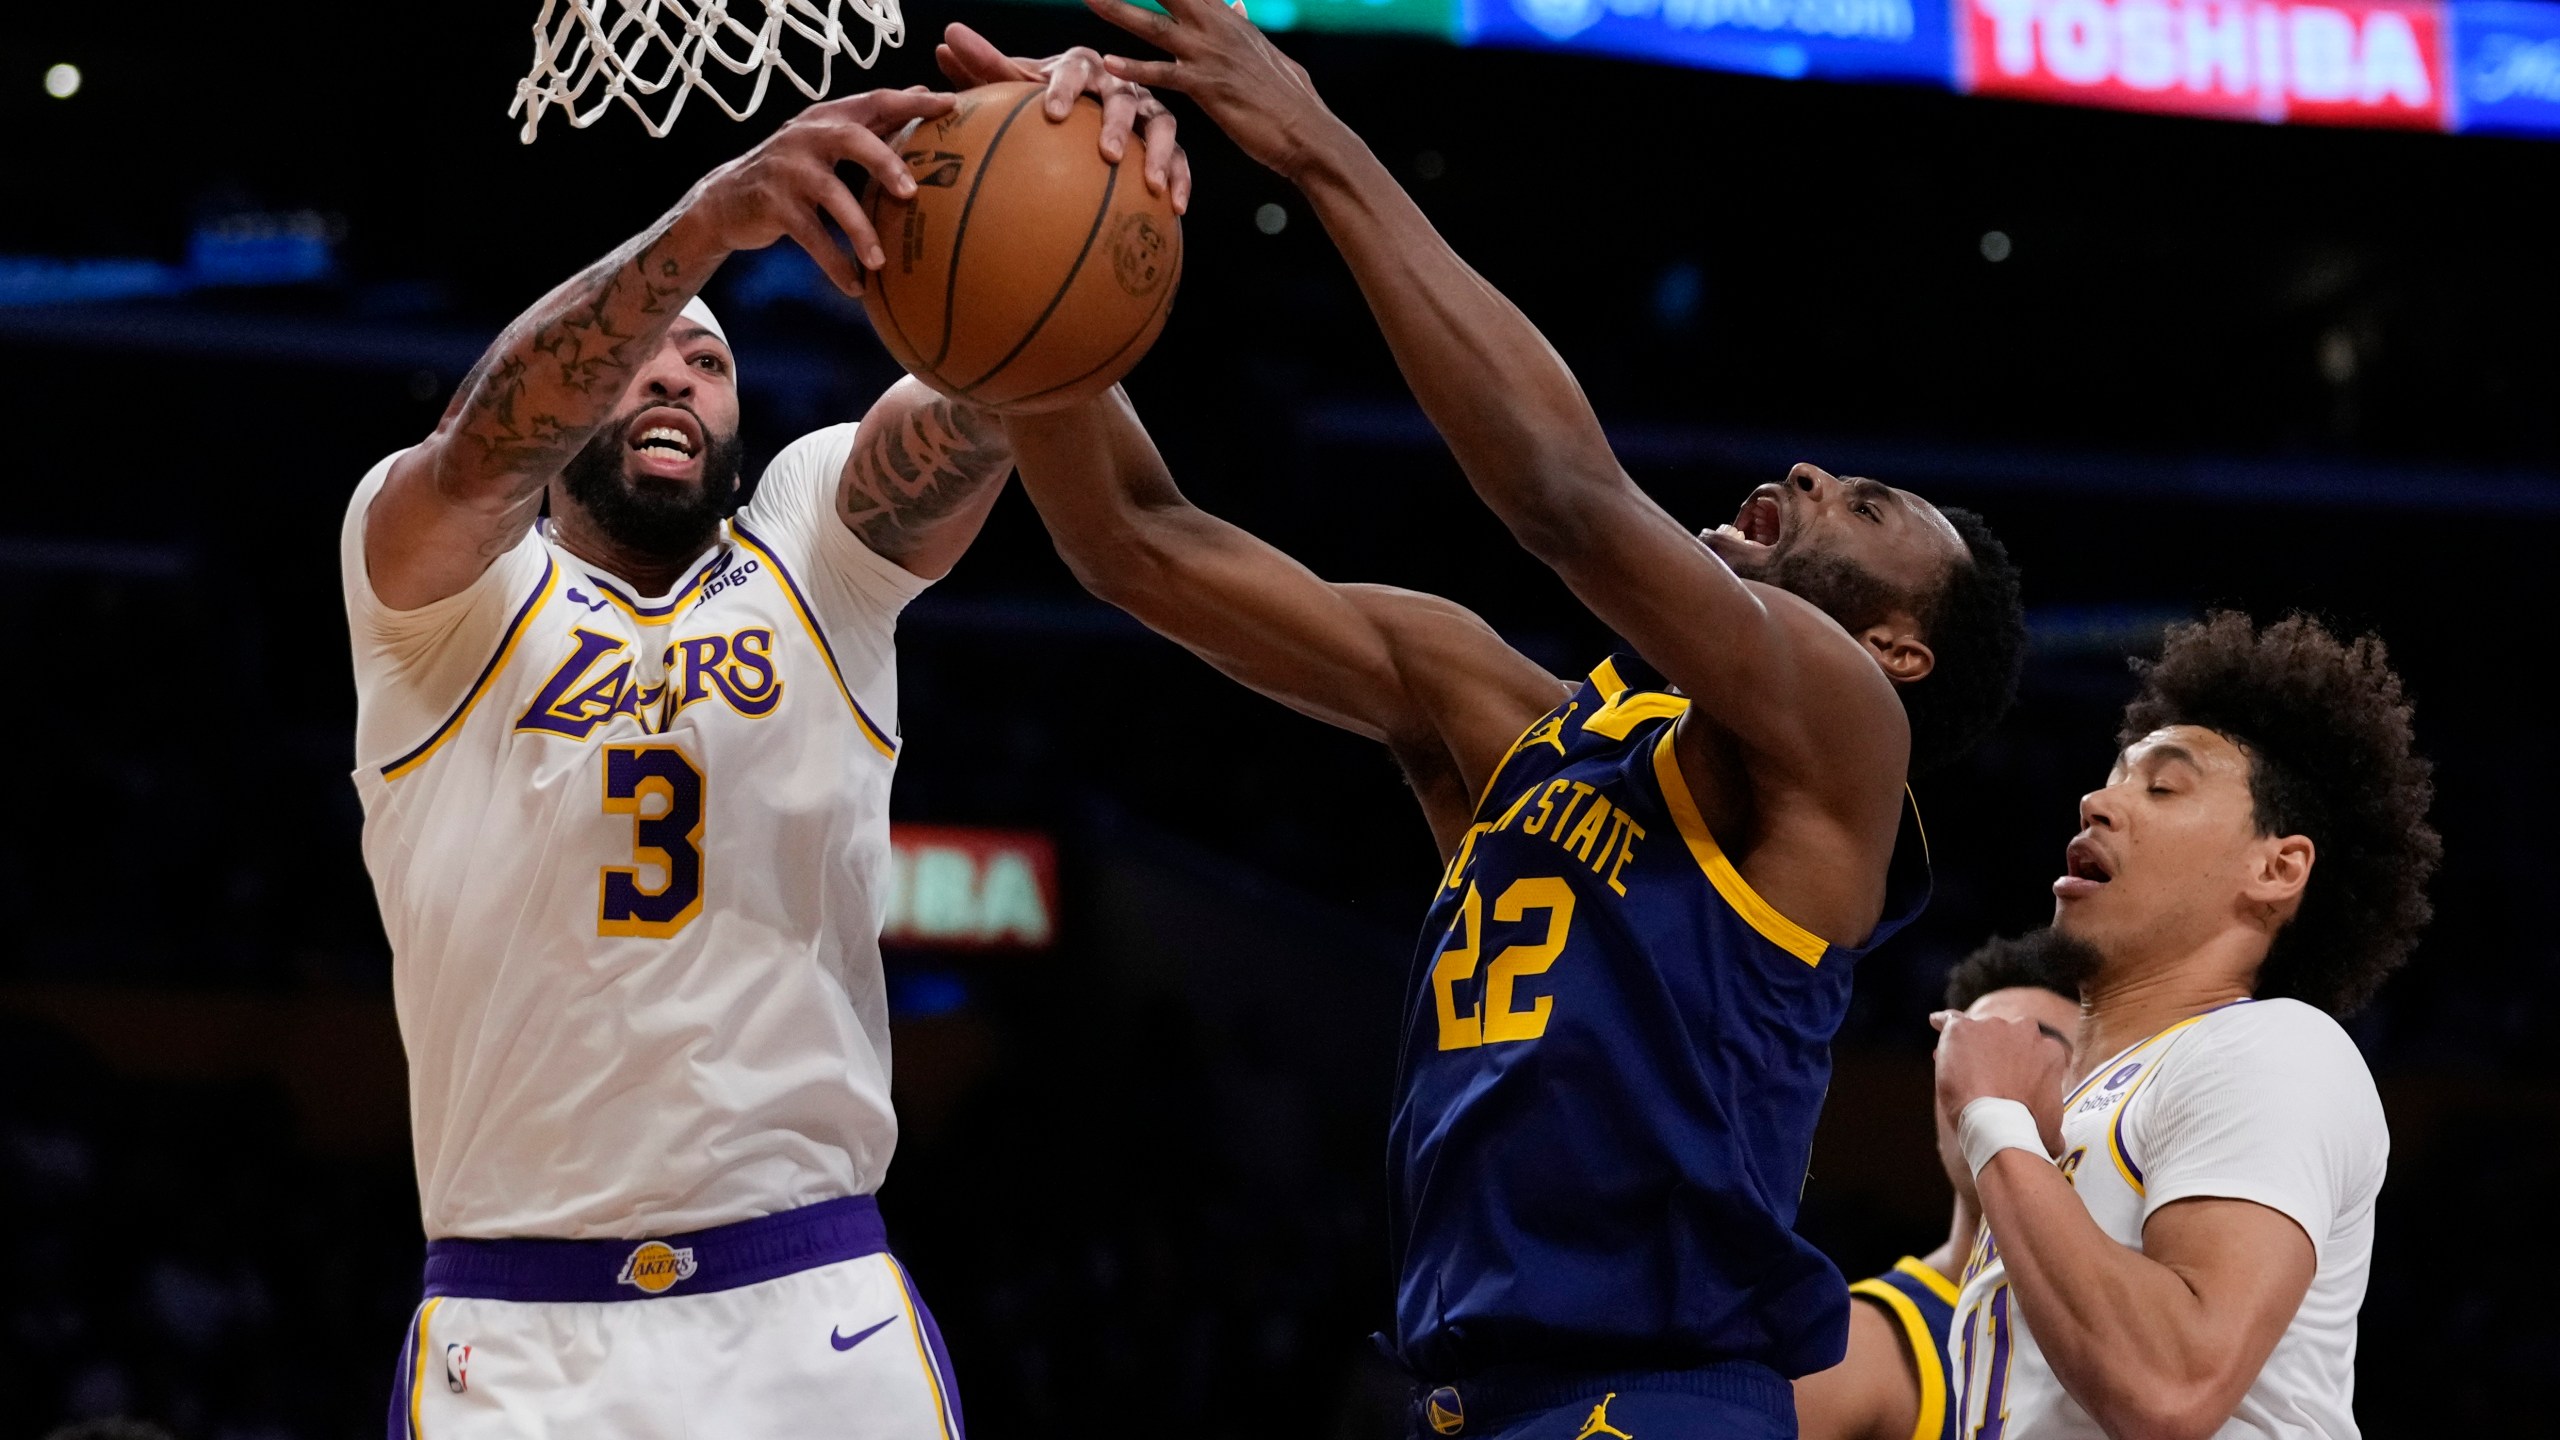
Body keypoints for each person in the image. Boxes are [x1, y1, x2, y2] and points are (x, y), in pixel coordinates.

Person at [971, 3, 2029, 1431]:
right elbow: (1139, 545)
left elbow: (1565, 499)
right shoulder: (1515, 729)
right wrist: (1000, 297)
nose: (1817, 472)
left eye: (1875, 507)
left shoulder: (1844, 737)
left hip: (1664, 1393)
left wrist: (1320, 144)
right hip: (1479, 1398)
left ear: (1900, 647)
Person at [343, 64, 1184, 1437]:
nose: (676, 367)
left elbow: (988, 388)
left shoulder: (809, 548)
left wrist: (1076, 177)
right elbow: (479, 451)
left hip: (812, 1304)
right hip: (521, 1331)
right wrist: (704, 229)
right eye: (641, 351)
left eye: (711, 359)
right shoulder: (438, 594)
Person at [1933, 612, 2438, 1440]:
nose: (2097, 801)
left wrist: (1992, 1118)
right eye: (2112, 779)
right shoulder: (2074, 1115)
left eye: (2161, 787)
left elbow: (2170, 1387)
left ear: (2276, 868)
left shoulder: (2277, 1047)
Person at [1795, 932, 2084, 1440]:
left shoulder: (2147, 1353)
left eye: (2032, 1049)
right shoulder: (1853, 1348)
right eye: (1969, 1052)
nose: (1983, 1081)